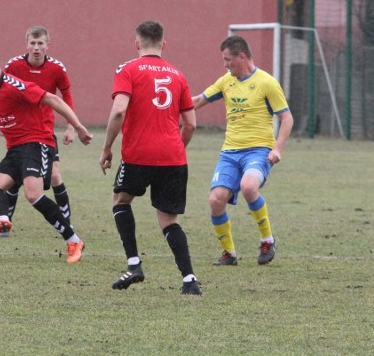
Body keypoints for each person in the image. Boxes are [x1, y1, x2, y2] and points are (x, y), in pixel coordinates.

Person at [0, 48, 93, 263]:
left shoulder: (16, 86)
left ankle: (73, 240)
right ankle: (2, 220)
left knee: (33, 195)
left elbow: (52, 99)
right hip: (15, 149)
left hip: (37, 143)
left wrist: (77, 126)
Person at [99, 20, 201, 295]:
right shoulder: (178, 74)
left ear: (137, 43)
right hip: (173, 156)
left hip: (138, 154)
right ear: (163, 44)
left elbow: (119, 111)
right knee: (168, 219)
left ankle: (134, 264)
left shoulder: (128, 69)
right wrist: (176, 149)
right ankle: (190, 279)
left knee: (121, 200)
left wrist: (107, 147)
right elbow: (190, 124)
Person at [192, 34, 294, 266]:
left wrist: (277, 149)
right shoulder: (226, 81)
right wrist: (168, 105)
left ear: (242, 56)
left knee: (249, 187)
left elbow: (287, 119)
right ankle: (229, 253)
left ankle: (267, 240)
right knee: (216, 200)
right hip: (230, 153)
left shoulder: (267, 82)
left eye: (228, 60)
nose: (225, 65)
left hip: (259, 151)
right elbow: (197, 101)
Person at [2, 26, 75, 231]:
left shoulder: (57, 68)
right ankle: (5, 221)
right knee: (15, 176)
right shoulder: (14, 65)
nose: (36, 48)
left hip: (43, 131)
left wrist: (70, 126)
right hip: (19, 130)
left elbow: (66, 96)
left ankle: (66, 220)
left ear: (47, 45)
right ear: (26, 44)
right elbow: (3, 92)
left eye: (40, 43)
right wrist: (3, 120)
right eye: (32, 43)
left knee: (54, 176)